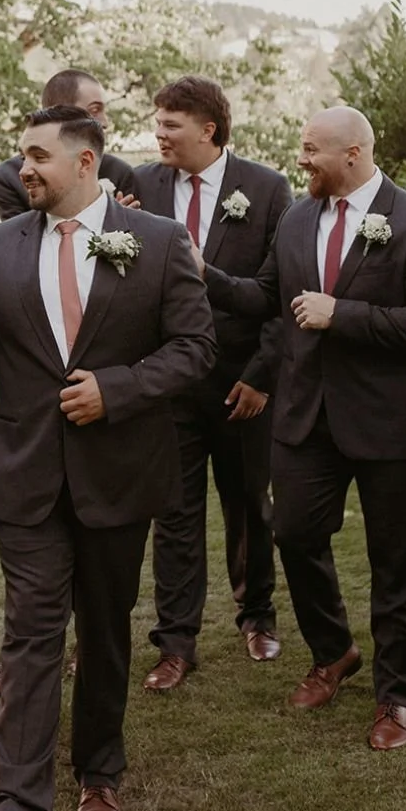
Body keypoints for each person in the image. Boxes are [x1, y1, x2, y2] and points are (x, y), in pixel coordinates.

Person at [0, 105, 216, 811]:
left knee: (106, 631)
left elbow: (196, 349)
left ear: (85, 163)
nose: (24, 168)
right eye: (21, 156)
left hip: (120, 475)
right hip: (28, 476)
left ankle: (99, 771)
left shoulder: (158, 242)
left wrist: (116, 389)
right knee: (30, 632)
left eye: (38, 156)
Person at [196, 106, 406, 750]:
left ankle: (396, 696)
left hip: (388, 418)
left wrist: (343, 313)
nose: (302, 159)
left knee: (394, 561)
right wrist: (204, 277)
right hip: (306, 413)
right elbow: (267, 297)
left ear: (355, 152)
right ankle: (334, 650)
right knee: (292, 532)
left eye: (312, 149)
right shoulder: (296, 217)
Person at [133, 76, 292, 689]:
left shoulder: (267, 188)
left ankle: (257, 615)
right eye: (158, 121)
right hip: (168, 381)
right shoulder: (142, 185)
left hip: (240, 381)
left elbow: (281, 292)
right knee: (174, 512)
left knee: (250, 502)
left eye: (170, 123)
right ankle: (176, 641)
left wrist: (261, 376)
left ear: (208, 129)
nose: (159, 133)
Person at [0, 69, 134, 220]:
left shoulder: (119, 172)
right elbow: (19, 237)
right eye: (95, 110)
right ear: (61, 111)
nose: (105, 122)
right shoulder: (8, 177)